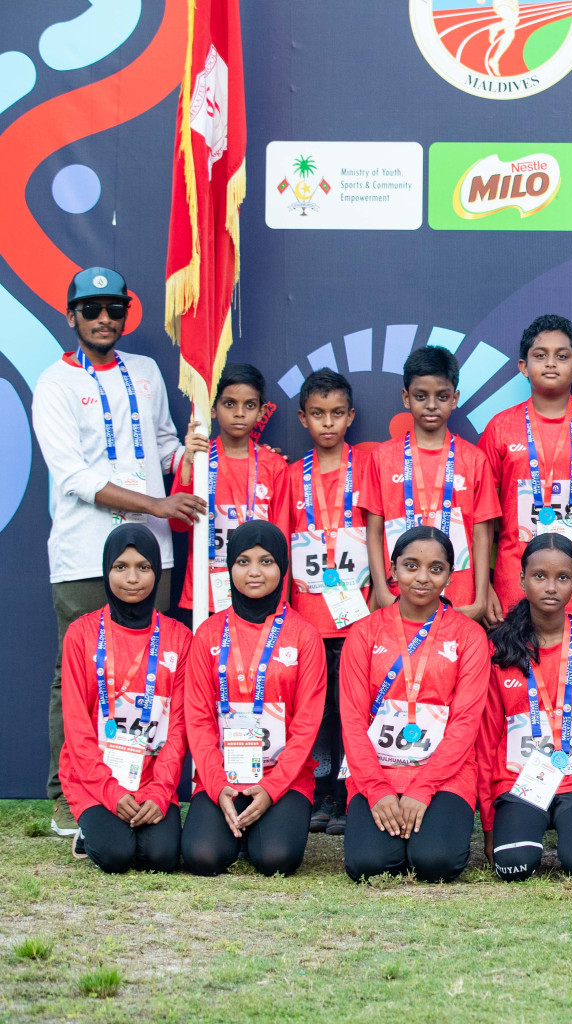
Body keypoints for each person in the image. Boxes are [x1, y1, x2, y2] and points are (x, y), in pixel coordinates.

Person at [32, 266, 200, 836]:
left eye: (114, 308)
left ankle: (147, 783)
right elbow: (74, 476)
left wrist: (192, 453)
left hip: (154, 555)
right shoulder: (53, 384)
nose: (104, 318)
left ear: (127, 313)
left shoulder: (147, 372)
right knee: (75, 675)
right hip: (85, 552)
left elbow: (163, 447)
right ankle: (66, 795)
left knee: (156, 672)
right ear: (71, 313)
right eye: (91, 309)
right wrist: (157, 506)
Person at [341, 527, 489, 883]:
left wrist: (422, 788)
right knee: (368, 865)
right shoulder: (364, 633)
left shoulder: (469, 635)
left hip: (445, 776)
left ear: (450, 575)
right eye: (411, 566)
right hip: (377, 771)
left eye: (436, 568)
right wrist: (377, 789)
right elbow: (352, 720)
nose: (422, 578)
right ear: (392, 569)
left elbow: (465, 723)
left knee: (435, 862)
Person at [180, 522, 325, 876]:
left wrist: (272, 789)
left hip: (283, 777)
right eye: (243, 562)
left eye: (266, 561)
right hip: (222, 776)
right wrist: (217, 786)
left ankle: (261, 826)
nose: (254, 572)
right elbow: (197, 720)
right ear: (229, 567)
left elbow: (306, 726)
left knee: (275, 859)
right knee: (202, 856)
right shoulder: (208, 634)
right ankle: (234, 824)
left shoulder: (304, 636)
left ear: (282, 567)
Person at [479, 534, 572, 881]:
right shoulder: (497, 651)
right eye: (539, 576)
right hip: (519, 780)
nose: (550, 587)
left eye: (562, 578)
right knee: (512, 868)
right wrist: (487, 823)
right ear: (522, 580)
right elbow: (485, 742)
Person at [59, 525, 194, 872]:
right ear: (106, 571)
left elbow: (179, 726)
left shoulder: (179, 637)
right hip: (95, 777)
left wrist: (161, 790)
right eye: (120, 567)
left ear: (157, 572)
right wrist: (109, 791)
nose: (132, 578)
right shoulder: (81, 634)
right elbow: (75, 726)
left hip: (151, 777)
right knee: (116, 855)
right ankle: (89, 829)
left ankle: (131, 816)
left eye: (143, 567)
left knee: (161, 857)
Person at [479, 315, 572, 640]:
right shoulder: (499, 428)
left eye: (562, 355)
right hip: (513, 593)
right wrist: (484, 586)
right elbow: (483, 519)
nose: (551, 363)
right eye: (540, 355)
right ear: (523, 366)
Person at [284, 369, 376, 837]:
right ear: (302, 418)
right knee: (315, 711)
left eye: (337, 414)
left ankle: (348, 792)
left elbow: (377, 533)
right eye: (318, 414)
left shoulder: (369, 467)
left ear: (351, 416)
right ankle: (321, 790)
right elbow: (281, 543)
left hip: (358, 616)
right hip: (307, 618)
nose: (328, 423)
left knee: (351, 709)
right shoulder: (287, 475)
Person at [360, 346, 500, 625]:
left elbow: (481, 535)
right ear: (405, 398)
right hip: (399, 598)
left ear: (455, 398)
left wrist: (480, 599)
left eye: (442, 396)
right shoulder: (382, 458)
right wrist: (384, 594)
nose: (432, 405)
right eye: (421, 396)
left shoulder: (474, 459)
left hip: (461, 601)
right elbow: (373, 533)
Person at [171, 363, 291, 613]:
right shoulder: (199, 459)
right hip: (205, 594)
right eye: (229, 404)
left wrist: (281, 600)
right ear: (212, 410)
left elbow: (282, 539)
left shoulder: (274, 465)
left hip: (261, 591)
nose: (239, 413)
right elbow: (178, 525)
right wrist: (188, 462)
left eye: (249, 405)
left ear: (261, 412)